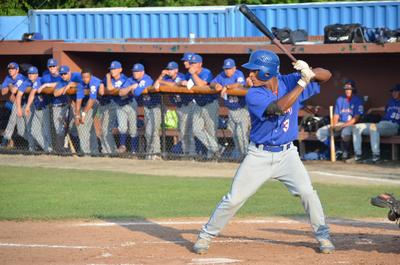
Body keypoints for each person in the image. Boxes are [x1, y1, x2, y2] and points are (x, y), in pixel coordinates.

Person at [192, 50, 335, 254]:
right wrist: (303, 82)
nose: (249, 75)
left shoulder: (290, 80)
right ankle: (206, 235)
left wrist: (309, 70)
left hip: (288, 155)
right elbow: (278, 108)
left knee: (307, 193)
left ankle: (323, 235)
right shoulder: (254, 94)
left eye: (254, 71)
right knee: (233, 199)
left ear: (267, 73)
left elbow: (326, 74)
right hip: (259, 155)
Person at [210, 58, 249, 159]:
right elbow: (211, 83)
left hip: (242, 109)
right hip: (231, 110)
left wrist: (226, 86)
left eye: (229, 68)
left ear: (234, 68)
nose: (227, 70)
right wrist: (217, 85)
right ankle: (241, 156)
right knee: (235, 135)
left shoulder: (238, 73)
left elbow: (240, 84)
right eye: (226, 68)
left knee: (242, 135)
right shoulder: (221, 76)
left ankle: (246, 156)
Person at [316, 80, 363, 160]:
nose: (348, 90)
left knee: (345, 133)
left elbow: (356, 118)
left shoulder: (357, 100)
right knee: (320, 133)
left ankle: (346, 151)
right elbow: (336, 115)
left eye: (350, 89)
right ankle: (337, 150)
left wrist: (342, 126)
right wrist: (334, 125)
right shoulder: (340, 99)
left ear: (353, 89)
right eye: (346, 89)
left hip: (351, 125)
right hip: (340, 123)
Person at [182, 54, 218, 158]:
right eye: (191, 63)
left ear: (200, 64)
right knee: (196, 129)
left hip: (210, 103)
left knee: (211, 131)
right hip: (198, 103)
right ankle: (216, 148)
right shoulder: (188, 74)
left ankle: (213, 156)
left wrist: (193, 75)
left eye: (194, 63)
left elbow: (202, 85)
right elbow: (183, 83)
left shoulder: (206, 72)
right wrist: (182, 82)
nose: (192, 65)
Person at [352, 84, 400, 162]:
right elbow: (385, 108)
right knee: (357, 127)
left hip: (393, 126)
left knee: (374, 128)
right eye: (393, 91)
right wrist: (373, 109)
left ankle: (376, 156)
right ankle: (358, 155)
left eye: (396, 91)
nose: (393, 93)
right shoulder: (391, 101)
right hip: (382, 124)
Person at [154, 61, 193, 155]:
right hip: (179, 106)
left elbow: (175, 85)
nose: (169, 71)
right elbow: (155, 86)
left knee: (186, 131)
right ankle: (187, 152)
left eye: (171, 69)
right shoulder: (166, 78)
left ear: (176, 70)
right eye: (168, 69)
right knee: (182, 131)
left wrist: (161, 81)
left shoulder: (181, 76)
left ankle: (190, 153)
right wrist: (161, 76)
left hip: (187, 105)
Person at [125, 63, 156, 159]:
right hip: (146, 108)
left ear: (142, 72)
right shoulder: (131, 80)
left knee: (151, 132)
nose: (135, 73)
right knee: (148, 132)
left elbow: (137, 92)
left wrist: (133, 89)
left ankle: (154, 154)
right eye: (134, 71)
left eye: (137, 71)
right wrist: (131, 87)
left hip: (156, 107)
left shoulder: (147, 79)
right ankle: (151, 154)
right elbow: (122, 91)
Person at [98, 61, 126, 155]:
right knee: (103, 130)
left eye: (114, 69)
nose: (112, 71)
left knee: (107, 130)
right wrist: (103, 84)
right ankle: (108, 151)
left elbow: (110, 89)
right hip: (109, 106)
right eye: (111, 69)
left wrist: (108, 78)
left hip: (121, 106)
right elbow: (101, 91)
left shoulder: (123, 78)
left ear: (120, 70)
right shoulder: (107, 78)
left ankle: (112, 151)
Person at [52, 65, 81, 153]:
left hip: (82, 104)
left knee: (75, 128)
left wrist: (74, 84)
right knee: (62, 129)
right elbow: (55, 93)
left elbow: (85, 84)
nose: (63, 76)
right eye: (61, 74)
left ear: (69, 72)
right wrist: (67, 86)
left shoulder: (76, 75)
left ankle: (78, 149)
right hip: (71, 105)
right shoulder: (61, 81)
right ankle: (64, 151)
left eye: (65, 73)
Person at [23, 66, 53, 152]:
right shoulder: (28, 82)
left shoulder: (39, 80)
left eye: (33, 73)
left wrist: (27, 106)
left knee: (46, 130)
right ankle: (47, 148)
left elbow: (32, 93)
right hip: (37, 109)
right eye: (29, 73)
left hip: (45, 108)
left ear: (37, 74)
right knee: (34, 131)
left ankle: (49, 148)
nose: (30, 75)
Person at [75, 68, 102, 155]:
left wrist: (83, 114)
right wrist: (77, 115)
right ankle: (94, 152)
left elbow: (92, 99)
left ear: (91, 76)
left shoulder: (94, 81)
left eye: (87, 77)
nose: (85, 79)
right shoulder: (80, 83)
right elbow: (79, 99)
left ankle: (86, 153)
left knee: (83, 128)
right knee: (90, 128)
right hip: (92, 103)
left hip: (103, 103)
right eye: (83, 77)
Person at [0, 62, 26, 148]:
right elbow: (3, 92)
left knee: (23, 128)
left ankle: (32, 143)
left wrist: (10, 85)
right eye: (9, 69)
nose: (10, 71)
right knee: (8, 122)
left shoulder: (21, 77)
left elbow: (14, 91)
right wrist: (10, 88)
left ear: (17, 70)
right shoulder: (8, 77)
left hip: (24, 104)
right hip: (13, 104)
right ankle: (5, 142)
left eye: (13, 69)